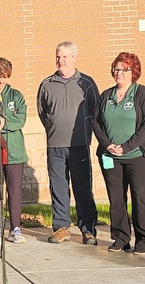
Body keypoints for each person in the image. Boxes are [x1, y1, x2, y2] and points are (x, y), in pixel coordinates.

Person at [93, 52, 145, 254]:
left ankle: (144, 241)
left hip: (139, 156)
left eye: (124, 69)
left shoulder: (143, 94)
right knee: (116, 199)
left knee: (140, 196)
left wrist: (127, 146)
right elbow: (95, 122)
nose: (118, 72)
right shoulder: (106, 96)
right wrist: (107, 144)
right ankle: (121, 238)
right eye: (116, 68)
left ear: (134, 72)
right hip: (111, 157)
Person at [37, 41, 100, 244]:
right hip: (55, 145)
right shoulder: (46, 85)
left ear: (74, 58)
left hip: (79, 145)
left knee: (82, 187)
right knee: (58, 187)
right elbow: (43, 113)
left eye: (64, 57)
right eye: (58, 56)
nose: (60, 61)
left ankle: (88, 229)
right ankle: (62, 227)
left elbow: (95, 111)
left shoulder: (86, 83)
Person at [0, 58, 28, 242]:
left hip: (14, 150)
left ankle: (15, 229)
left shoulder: (16, 95)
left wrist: (5, 122)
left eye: (4, 77)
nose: (1, 81)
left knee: (14, 190)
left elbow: (20, 120)